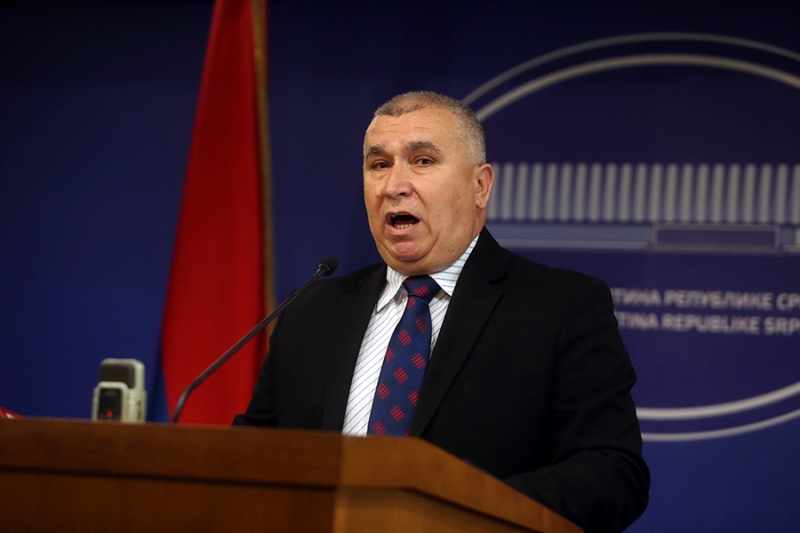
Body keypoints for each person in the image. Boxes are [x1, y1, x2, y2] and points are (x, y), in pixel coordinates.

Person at [233, 91, 650, 532]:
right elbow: (252, 455)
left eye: (423, 161)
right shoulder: (311, 310)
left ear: (480, 186)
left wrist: (471, 510)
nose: (394, 185)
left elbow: (612, 472)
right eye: (379, 164)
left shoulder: (560, 307)